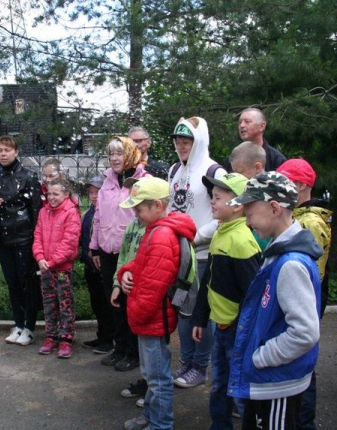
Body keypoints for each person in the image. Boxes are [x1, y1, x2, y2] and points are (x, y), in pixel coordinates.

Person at [227, 171, 322, 430]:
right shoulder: (277, 252)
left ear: (273, 207)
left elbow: (304, 332)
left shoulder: (290, 264)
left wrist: (260, 357)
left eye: (249, 214)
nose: (247, 223)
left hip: (277, 383)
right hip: (270, 381)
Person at [117, 177, 197, 430]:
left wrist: (135, 315)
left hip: (153, 318)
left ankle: (161, 424)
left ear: (158, 206)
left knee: (158, 377)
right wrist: (126, 273)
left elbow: (153, 287)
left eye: (140, 207)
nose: (136, 212)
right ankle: (151, 416)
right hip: (152, 318)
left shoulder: (161, 234)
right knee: (153, 375)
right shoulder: (156, 230)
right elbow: (143, 266)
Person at [192, 173, 262, 429]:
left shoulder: (242, 241)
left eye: (218, 198)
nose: (212, 201)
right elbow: (209, 280)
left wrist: (240, 330)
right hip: (219, 327)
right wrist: (201, 317)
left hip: (236, 331)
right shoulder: (221, 232)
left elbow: (252, 296)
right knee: (219, 384)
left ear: (239, 205)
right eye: (212, 196)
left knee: (240, 390)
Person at [168, 116, 227, 388]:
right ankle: (186, 361)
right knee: (182, 309)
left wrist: (197, 238)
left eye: (186, 141)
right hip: (179, 258)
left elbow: (225, 214)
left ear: (198, 141)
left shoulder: (215, 172)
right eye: (178, 141)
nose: (181, 146)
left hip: (203, 258)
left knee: (202, 314)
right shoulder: (173, 171)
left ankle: (200, 366)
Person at [277, 159, 332, 430]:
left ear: (299, 185)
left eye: (284, 180)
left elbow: (311, 273)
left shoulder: (310, 221)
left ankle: (303, 421)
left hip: (306, 300)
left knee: (303, 366)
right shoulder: (298, 215)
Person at [89, 136, 149, 366]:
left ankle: (133, 353)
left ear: (130, 155)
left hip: (132, 252)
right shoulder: (107, 181)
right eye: (111, 154)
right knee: (113, 302)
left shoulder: (143, 180)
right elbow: (98, 215)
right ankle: (119, 347)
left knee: (130, 303)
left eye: (119, 153)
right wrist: (94, 247)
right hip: (107, 250)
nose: (114, 158)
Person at [0, 135, 43, 346]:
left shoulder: (29, 176)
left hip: (24, 237)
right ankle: (18, 324)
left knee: (27, 283)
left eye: (7, 150)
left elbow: (37, 210)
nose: (3, 154)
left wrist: (38, 241)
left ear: (16, 152)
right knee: (12, 284)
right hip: (3, 237)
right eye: (0, 150)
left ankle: (29, 327)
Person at [33, 177, 81, 358]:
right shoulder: (44, 212)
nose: (51, 197)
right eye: (49, 193)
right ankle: (51, 335)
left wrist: (51, 262)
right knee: (49, 302)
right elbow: (37, 236)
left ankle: (66, 338)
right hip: (45, 267)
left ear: (66, 194)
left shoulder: (71, 213)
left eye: (56, 194)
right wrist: (39, 258)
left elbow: (69, 243)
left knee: (64, 302)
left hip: (61, 269)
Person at [110, 178, 148, 401]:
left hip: (146, 295)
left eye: (138, 206)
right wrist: (117, 282)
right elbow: (123, 255)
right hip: (129, 290)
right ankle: (146, 382)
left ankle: (152, 389)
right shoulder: (134, 225)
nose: (134, 211)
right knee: (141, 342)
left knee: (151, 349)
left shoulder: (158, 230)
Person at [80, 175, 115, 353]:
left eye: (97, 191)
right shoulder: (88, 214)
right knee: (97, 304)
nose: (94, 195)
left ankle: (109, 339)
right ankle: (101, 334)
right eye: (91, 192)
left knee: (106, 304)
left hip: (103, 266)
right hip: (90, 266)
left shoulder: (107, 212)